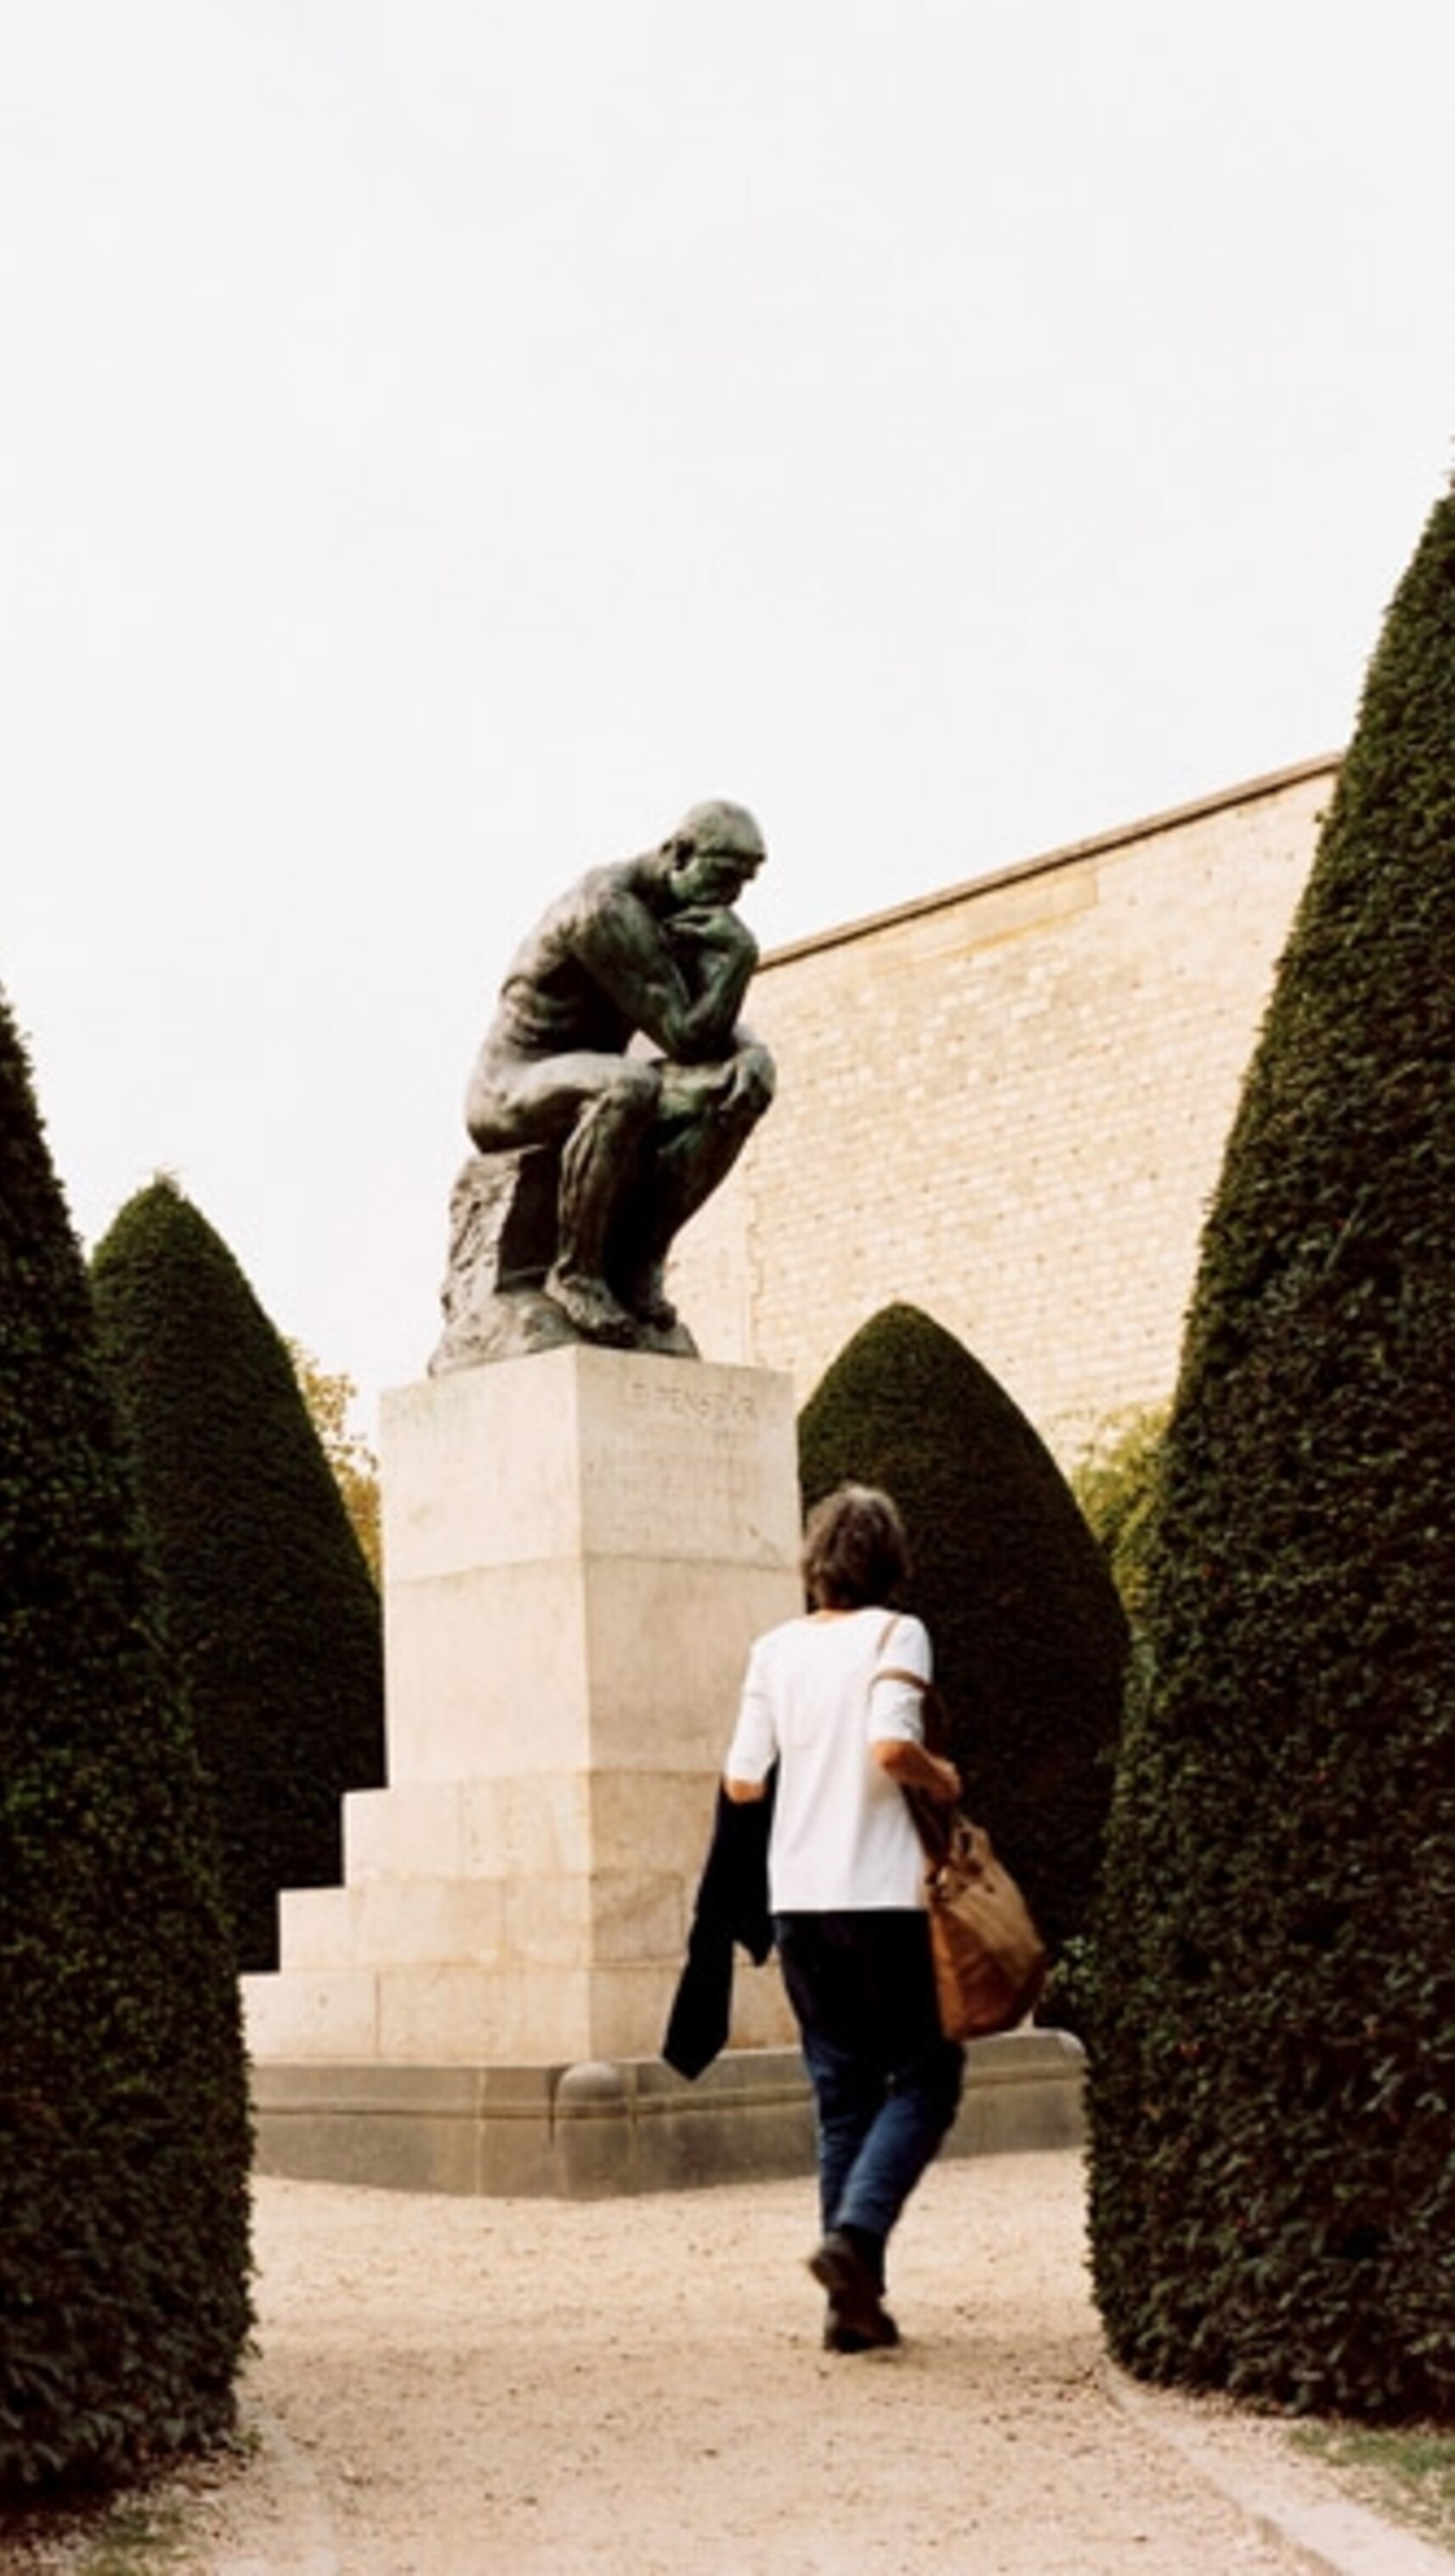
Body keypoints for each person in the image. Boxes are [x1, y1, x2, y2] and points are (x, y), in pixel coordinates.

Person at [721, 1482, 964, 2353]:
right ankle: (856, 2238)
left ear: (816, 1562)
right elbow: (892, 1745)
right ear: (890, 1561)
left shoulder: (774, 1649)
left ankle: (851, 2311)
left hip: (801, 1900)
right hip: (885, 1894)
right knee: (928, 2081)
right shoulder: (900, 1634)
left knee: (842, 2096)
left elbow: (744, 1779)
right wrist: (945, 1779)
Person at [462, 799, 776, 1348]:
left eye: (743, 883)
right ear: (679, 854)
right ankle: (576, 1275)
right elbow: (685, 1036)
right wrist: (740, 961)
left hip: (590, 1078)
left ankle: (639, 1264)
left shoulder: (688, 913)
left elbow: (715, 1032)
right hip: (512, 1088)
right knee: (628, 1085)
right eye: (725, 877)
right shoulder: (604, 909)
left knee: (740, 1087)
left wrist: (753, 1052)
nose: (732, 897)